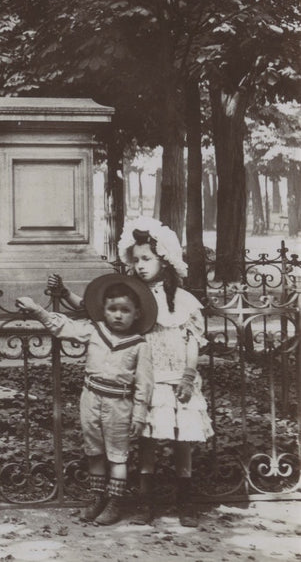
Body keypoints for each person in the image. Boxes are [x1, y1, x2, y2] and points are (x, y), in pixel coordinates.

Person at [17, 274, 156, 526]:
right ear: (103, 310)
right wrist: (37, 310)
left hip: (120, 405)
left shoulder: (139, 345)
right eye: (112, 309)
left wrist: (139, 413)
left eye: (125, 310)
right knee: (94, 450)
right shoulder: (94, 331)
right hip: (91, 398)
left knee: (117, 454)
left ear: (136, 314)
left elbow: (145, 383)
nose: (118, 315)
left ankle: (115, 501)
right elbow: (63, 327)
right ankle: (97, 497)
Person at [123, 217, 214, 525]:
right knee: (148, 438)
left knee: (181, 440)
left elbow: (192, 343)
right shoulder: (134, 301)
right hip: (150, 380)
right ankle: (145, 502)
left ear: (164, 260)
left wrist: (188, 376)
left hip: (177, 379)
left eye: (147, 259)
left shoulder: (184, 301)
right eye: (136, 260)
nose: (140, 266)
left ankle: (184, 501)